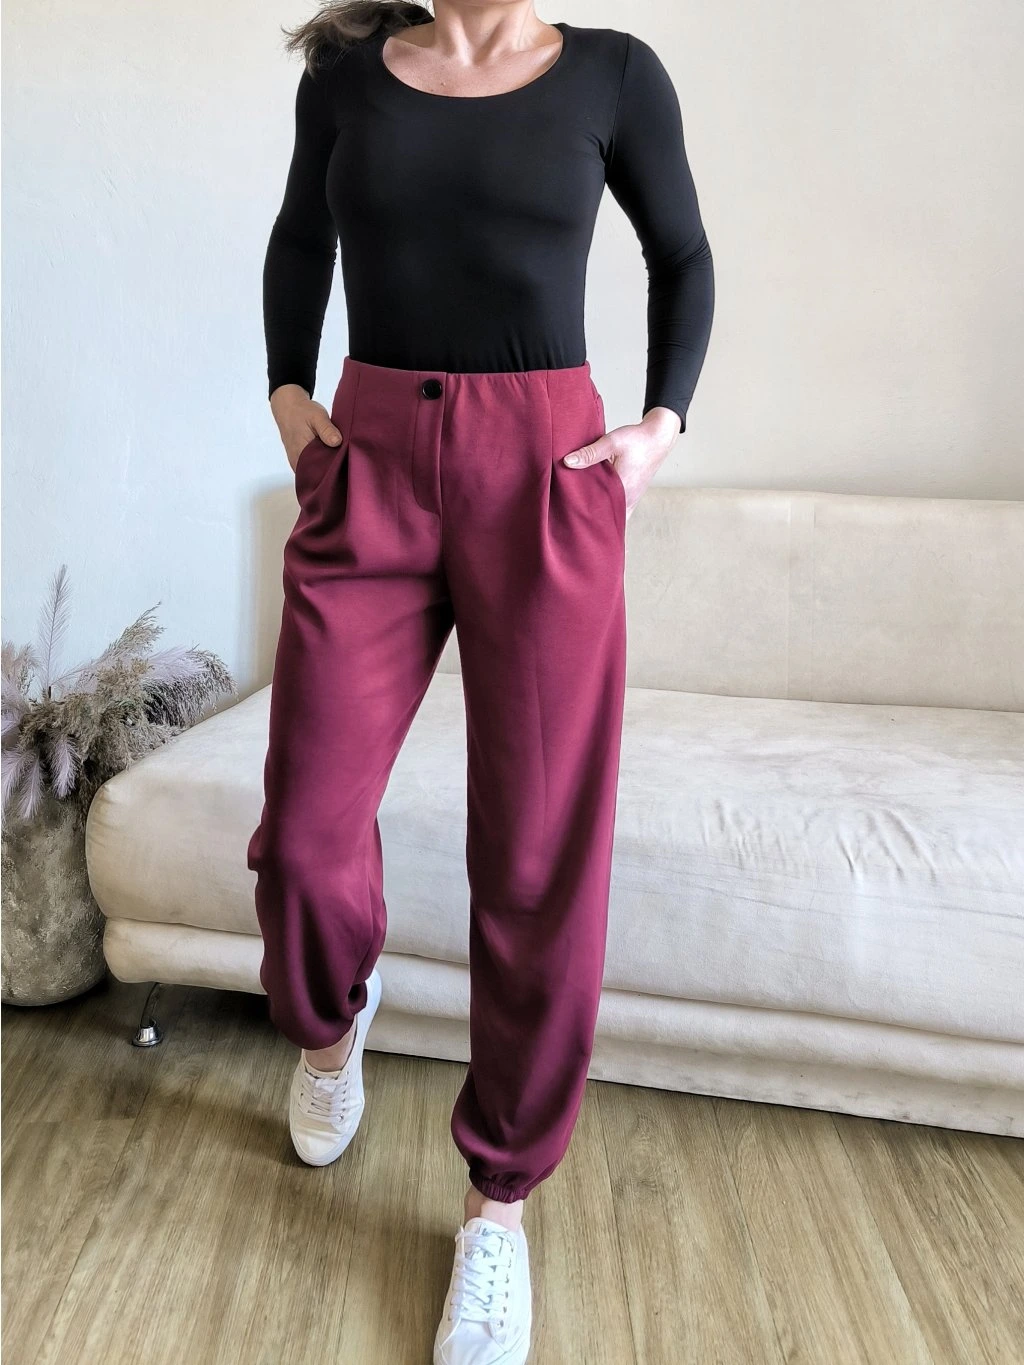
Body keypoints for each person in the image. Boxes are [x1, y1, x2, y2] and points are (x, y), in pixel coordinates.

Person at [247, 2, 714, 1360]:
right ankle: (330, 1030)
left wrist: (659, 426)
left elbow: (682, 253)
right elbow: (300, 237)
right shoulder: (348, 73)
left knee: (536, 857)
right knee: (307, 835)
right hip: (374, 466)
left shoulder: (613, 74)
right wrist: (288, 391)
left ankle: (497, 1206)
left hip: (545, 476)